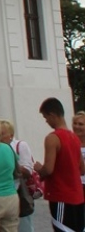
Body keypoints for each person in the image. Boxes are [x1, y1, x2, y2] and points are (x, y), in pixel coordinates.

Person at [33, 97, 85, 232]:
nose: (47, 122)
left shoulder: (53, 138)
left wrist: (39, 169)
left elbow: (48, 169)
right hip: (77, 194)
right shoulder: (75, 138)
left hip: (61, 194)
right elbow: (82, 168)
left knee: (62, 228)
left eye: (46, 118)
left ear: (52, 115)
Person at [0, 119, 35, 232]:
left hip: (18, 191)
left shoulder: (20, 145)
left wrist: (10, 166)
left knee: (23, 226)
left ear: (11, 135)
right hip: (1, 193)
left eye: (2, 134)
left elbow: (28, 170)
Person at [74, 111, 85, 201]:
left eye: (80, 124)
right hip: (75, 185)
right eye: (75, 123)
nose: (77, 127)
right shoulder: (70, 142)